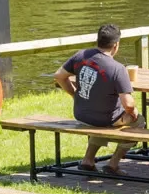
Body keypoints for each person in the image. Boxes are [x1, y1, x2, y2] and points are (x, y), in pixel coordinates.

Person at [53, 22, 137, 173]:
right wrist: (133, 112)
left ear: (98, 40)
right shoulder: (117, 68)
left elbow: (59, 76)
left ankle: (88, 160)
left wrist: (75, 94)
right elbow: (128, 104)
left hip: (81, 114)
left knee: (101, 120)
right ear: (116, 45)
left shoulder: (81, 56)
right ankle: (113, 164)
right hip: (105, 119)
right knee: (139, 122)